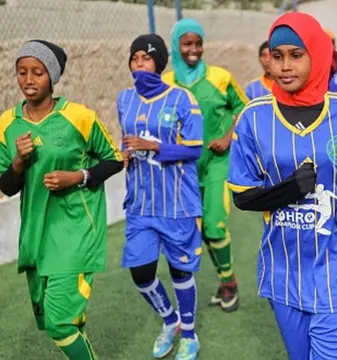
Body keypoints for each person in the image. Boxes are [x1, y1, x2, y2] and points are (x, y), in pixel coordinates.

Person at [228, 12, 337, 360]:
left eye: (296, 55)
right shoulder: (253, 118)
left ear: (317, 55)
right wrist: (289, 190)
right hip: (284, 270)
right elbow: (243, 197)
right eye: (277, 56)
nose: (285, 66)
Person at [0, 40, 123, 359]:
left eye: (37, 73)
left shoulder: (79, 117)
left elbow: (114, 159)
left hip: (75, 231)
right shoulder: (6, 124)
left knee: (59, 324)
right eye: (22, 72)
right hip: (36, 237)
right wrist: (17, 162)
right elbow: (8, 186)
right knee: (67, 322)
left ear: (51, 76)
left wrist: (77, 177)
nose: (28, 80)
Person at [119, 34, 204, 360]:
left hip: (177, 202)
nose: (139, 64)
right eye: (135, 58)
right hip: (141, 204)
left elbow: (194, 148)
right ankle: (170, 322)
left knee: (181, 271)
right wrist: (126, 153)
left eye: (146, 58)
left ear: (160, 62)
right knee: (141, 272)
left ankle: (190, 333)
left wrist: (155, 146)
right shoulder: (124, 99)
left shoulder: (182, 98)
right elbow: (127, 141)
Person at [162, 18, 249, 312]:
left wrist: (228, 137)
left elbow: (244, 109)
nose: (194, 49)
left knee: (214, 225)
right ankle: (225, 281)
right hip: (183, 170)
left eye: (198, 43)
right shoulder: (166, 83)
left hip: (217, 164)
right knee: (198, 233)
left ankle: (230, 283)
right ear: (176, 46)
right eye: (187, 43)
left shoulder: (220, 77)